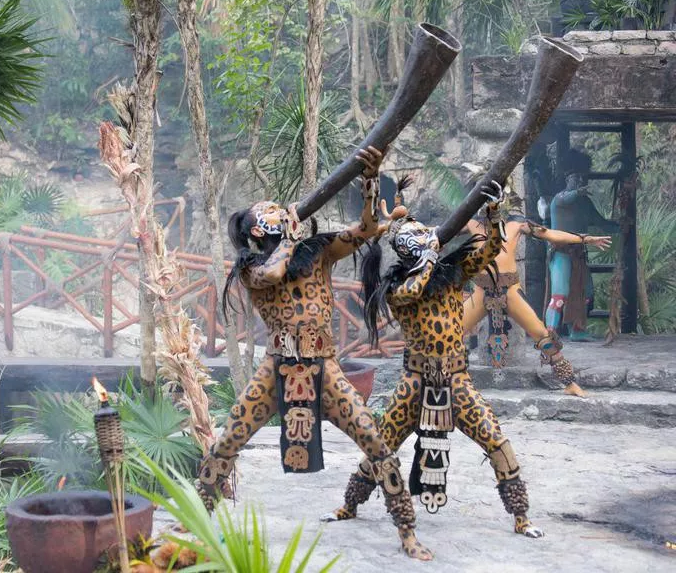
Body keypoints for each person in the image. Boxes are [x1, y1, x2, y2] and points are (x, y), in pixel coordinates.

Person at [196, 146, 427, 559]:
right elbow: (275, 272)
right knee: (227, 441)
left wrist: (371, 182)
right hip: (276, 368)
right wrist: (288, 235)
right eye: (265, 212)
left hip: (325, 366)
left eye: (276, 208)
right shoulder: (251, 269)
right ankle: (198, 521)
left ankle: (407, 531)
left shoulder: (318, 251)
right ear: (254, 233)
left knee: (375, 442)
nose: (276, 211)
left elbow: (369, 228)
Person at [325, 178, 543, 560]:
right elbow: (412, 291)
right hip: (414, 383)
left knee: (495, 440)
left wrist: (492, 218)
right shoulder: (397, 289)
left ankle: (521, 516)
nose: (430, 240)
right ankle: (350, 504)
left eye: (429, 236)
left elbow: (490, 251)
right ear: (408, 253)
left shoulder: (452, 273)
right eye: (420, 239)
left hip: (456, 379)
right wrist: (427, 257)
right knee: (382, 444)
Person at [462, 186, 611, 397]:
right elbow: (439, 232)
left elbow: (551, 234)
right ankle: (435, 382)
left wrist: (584, 239)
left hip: (510, 292)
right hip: (480, 292)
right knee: (449, 334)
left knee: (542, 335)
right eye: (486, 200)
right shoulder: (471, 224)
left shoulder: (515, 225)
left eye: (495, 200)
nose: (491, 205)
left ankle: (569, 383)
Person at [545, 151, 619, 340]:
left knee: (586, 294)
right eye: (575, 177)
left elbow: (602, 223)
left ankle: (577, 330)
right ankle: (549, 335)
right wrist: (577, 192)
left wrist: (623, 224)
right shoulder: (559, 200)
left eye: (581, 177)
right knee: (559, 295)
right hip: (561, 253)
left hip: (578, 255)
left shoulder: (584, 203)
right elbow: (568, 198)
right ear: (567, 178)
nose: (579, 180)